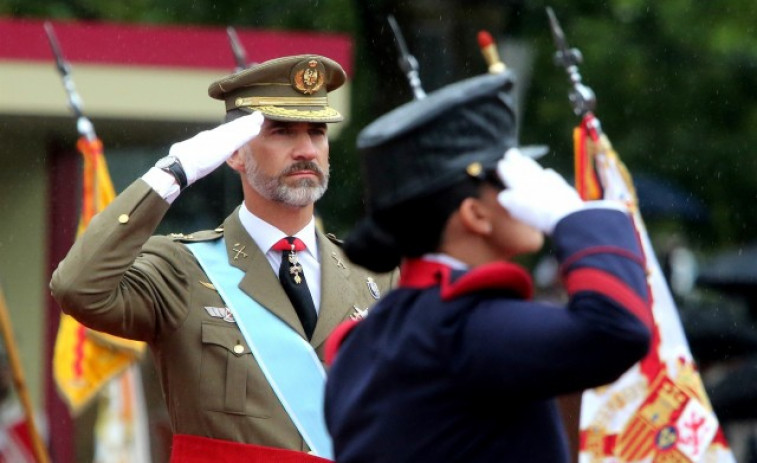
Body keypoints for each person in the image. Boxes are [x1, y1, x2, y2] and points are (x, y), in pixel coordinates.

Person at [50, 55, 396, 462]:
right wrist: (173, 173)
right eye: (282, 131)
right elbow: (77, 288)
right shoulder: (182, 268)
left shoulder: (373, 275)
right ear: (233, 153)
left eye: (317, 132)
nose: (306, 149)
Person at [323, 70, 654, 462]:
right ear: (476, 215)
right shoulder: (464, 328)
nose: (534, 186)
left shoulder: (371, 337)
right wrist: (574, 218)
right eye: (512, 179)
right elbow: (618, 329)